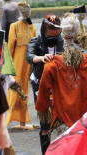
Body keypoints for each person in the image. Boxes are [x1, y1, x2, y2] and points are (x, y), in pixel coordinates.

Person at [35, 12, 87, 154]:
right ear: (78, 32)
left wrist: (43, 109)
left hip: (61, 121)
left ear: (62, 32)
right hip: (83, 119)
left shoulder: (53, 64)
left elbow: (43, 93)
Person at [26, 14, 64, 155]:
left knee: (61, 121)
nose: (54, 38)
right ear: (44, 30)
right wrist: (41, 58)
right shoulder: (36, 41)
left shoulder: (62, 40)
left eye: (56, 35)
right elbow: (29, 56)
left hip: (59, 85)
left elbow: (76, 52)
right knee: (46, 124)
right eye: (50, 35)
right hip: (41, 85)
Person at [6, 0, 37, 130]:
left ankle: (23, 121)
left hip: (28, 66)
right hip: (16, 65)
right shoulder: (15, 26)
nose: (26, 12)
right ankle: (5, 121)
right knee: (14, 90)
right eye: (23, 10)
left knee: (25, 91)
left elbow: (35, 46)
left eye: (27, 10)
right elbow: (10, 48)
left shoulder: (32, 27)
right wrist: (8, 66)